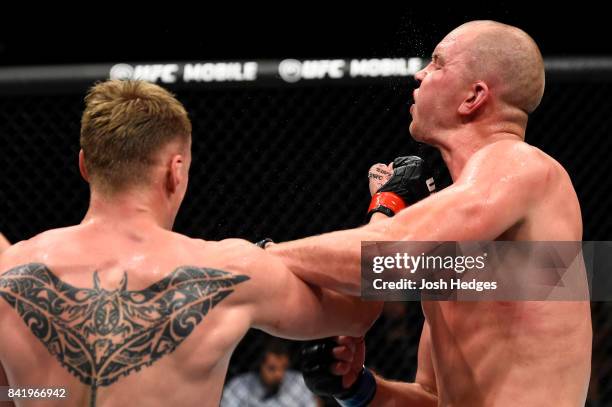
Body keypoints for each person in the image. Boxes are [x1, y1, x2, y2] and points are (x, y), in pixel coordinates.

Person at [0, 80, 382, 407]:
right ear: (176, 170)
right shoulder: (230, 269)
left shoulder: (10, 272)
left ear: (84, 164)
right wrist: (387, 209)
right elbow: (360, 309)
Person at [271, 20, 592, 406]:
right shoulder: (460, 245)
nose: (420, 73)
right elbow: (434, 397)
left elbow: (391, 253)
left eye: (437, 63)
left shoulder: (522, 165)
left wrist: (261, 255)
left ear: (473, 96)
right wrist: (357, 388)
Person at [221, 338, 317, 407]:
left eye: (283, 367)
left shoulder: (298, 383)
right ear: (260, 365)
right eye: (272, 368)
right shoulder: (239, 387)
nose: (279, 374)